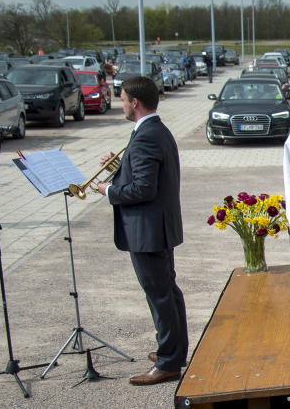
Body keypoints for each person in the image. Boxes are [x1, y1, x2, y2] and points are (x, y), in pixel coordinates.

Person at [96, 76, 188, 385]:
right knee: (168, 293)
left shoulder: (146, 136)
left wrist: (108, 190)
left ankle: (169, 362)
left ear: (134, 103)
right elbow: (145, 176)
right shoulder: (155, 130)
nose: (120, 105)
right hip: (157, 227)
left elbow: (143, 189)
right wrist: (117, 169)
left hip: (148, 231)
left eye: (121, 100)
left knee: (161, 296)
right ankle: (173, 349)